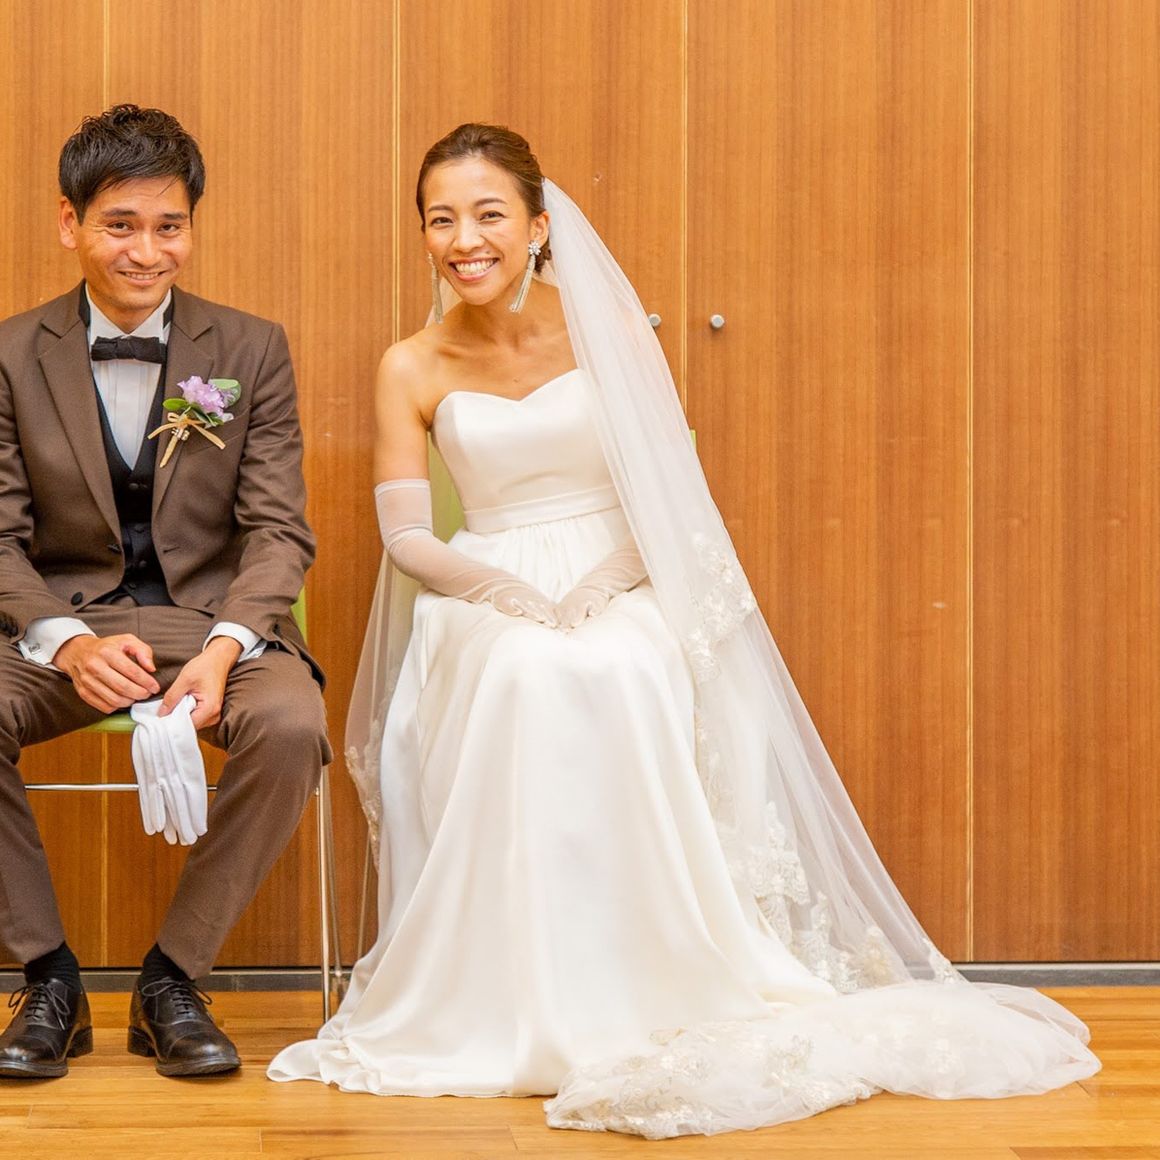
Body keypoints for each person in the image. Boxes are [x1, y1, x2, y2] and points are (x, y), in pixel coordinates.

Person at [269, 123, 1098, 1137]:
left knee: (619, 663)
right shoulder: (410, 363)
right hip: (482, 582)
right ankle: (515, 989)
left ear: (538, 225)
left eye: (488, 214)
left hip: (626, 565)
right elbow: (406, 536)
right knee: (525, 672)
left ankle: (654, 968)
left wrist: (604, 580)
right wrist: (503, 591)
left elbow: (670, 494)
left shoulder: (609, 329)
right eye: (441, 220)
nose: (464, 240)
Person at [0, 105, 330, 1079]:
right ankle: (48, 978)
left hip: (211, 627)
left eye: (168, 226)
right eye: (120, 225)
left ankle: (172, 977)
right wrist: (66, 642)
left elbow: (278, 529)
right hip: (63, 630)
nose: (147, 252)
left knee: (292, 725)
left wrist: (227, 648)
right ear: (70, 222)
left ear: (191, 226)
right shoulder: (10, 354)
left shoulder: (252, 348)